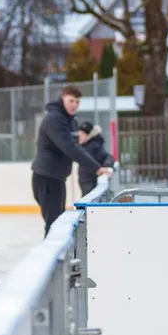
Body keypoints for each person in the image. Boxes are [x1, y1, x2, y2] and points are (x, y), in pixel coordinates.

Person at [31, 85, 112, 235]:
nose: (74, 105)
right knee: (53, 220)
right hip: (46, 177)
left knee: (56, 218)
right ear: (63, 99)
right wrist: (97, 168)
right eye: (71, 101)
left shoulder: (71, 122)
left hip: (57, 178)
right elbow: (70, 148)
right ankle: (54, 256)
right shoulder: (55, 119)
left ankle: (58, 255)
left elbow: (78, 147)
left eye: (77, 102)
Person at [76, 121, 115, 197]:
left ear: (88, 135)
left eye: (82, 134)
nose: (79, 136)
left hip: (90, 182)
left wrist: (106, 166)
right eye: (79, 134)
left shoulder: (92, 146)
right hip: (88, 182)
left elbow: (108, 157)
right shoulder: (86, 146)